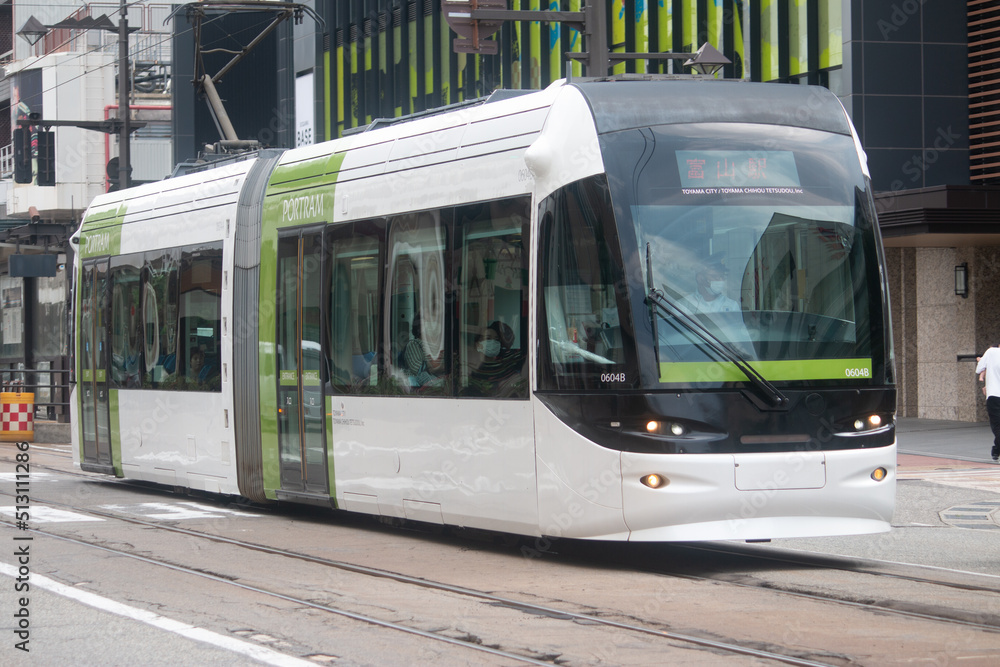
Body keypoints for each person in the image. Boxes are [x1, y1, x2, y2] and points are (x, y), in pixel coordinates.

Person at [467, 321, 524, 397]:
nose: (493, 342)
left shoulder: (507, 363)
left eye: (496, 339)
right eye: (488, 338)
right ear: (478, 344)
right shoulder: (471, 368)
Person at [976, 347, 1000, 461]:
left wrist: (982, 362)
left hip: (994, 395)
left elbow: (979, 368)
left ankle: (996, 449)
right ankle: (996, 449)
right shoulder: (992, 352)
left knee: (997, 425)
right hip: (994, 394)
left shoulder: (991, 352)